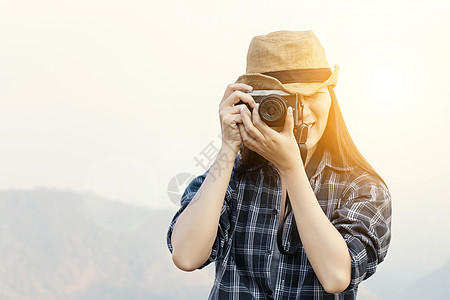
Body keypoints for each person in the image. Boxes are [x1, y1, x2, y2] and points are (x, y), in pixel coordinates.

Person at [167, 30, 391, 299]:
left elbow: (336, 276)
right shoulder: (232, 176)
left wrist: (291, 169)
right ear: (253, 103)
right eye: (286, 100)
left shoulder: (363, 188)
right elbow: (186, 256)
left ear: (331, 95)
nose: (304, 111)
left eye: (314, 94)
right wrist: (228, 148)